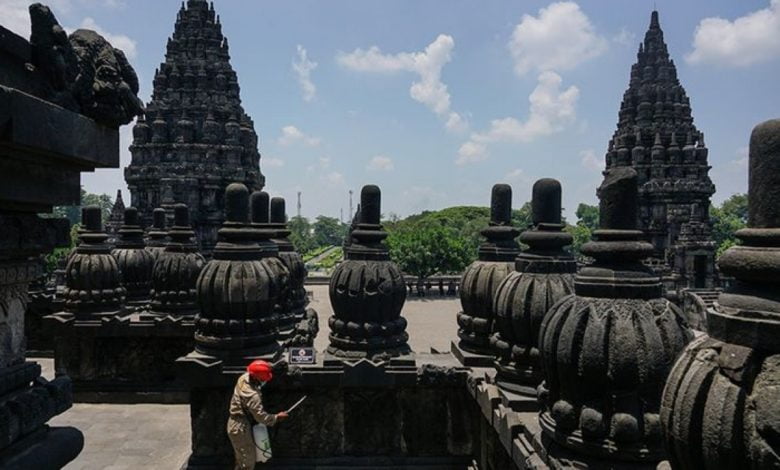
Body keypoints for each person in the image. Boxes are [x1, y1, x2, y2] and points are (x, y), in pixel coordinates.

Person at [227, 360, 288, 469]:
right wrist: (276, 417)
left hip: (236, 423)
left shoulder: (244, 377)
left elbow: (258, 368)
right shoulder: (252, 396)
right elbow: (260, 417)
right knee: (247, 460)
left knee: (241, 458)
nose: (265, 381)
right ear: (257, 379)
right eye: (263, 379)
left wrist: (272, 367)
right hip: (240, 427)